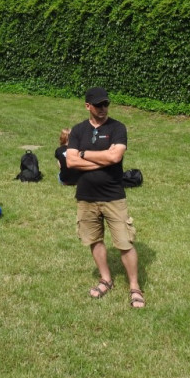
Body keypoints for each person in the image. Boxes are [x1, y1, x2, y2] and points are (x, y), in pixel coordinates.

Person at [66, 87, 145, 308]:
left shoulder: (117, 128)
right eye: (98, 105)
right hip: (86, 196)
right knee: (94, 239)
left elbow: (115, 156)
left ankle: (135, 287)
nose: (103, 108)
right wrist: (102, 159)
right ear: (87, 106)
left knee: (124, 242)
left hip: (113, 196)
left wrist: (84, 154)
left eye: (106, 104)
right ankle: (106, 279)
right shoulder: (78, 130)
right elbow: (70, 161)